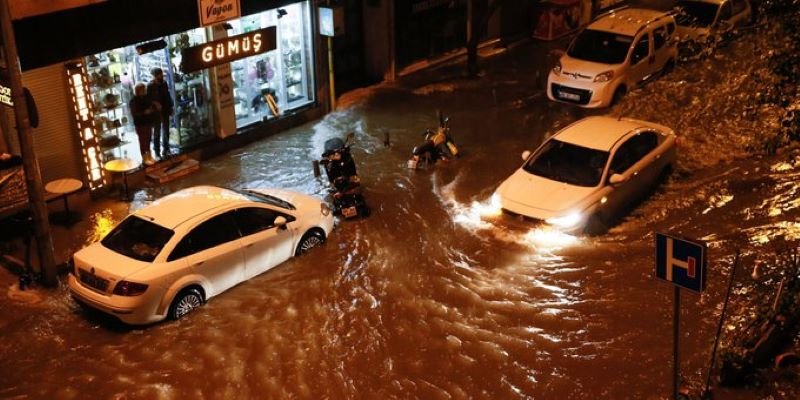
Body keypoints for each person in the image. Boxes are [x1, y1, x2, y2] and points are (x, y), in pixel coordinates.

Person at [147, 67, 174, 158]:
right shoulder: (150, 86)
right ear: (154, 76)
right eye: (158, 75)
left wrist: (171, 107)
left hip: (165, 109)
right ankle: (157, 151)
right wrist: (155, 103)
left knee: (166, 130)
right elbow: (148, 100)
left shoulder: (164, 83)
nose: (160, 76)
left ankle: (166, 149)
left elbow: (167, 95)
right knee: (157, 132)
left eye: (161, 74)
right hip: (156, 112)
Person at [129, 83, 158, 166]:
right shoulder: (134, 101)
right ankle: (144, 157)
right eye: (143, 90)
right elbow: (134, 113)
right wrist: (144, 113)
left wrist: (152, 109)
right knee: (143, 140)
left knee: (148, 139)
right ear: (138, 91)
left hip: (147, 121)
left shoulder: (147, 99)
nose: (144, 91)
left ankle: (149, 155)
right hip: (140, 123)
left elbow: (151, 106)